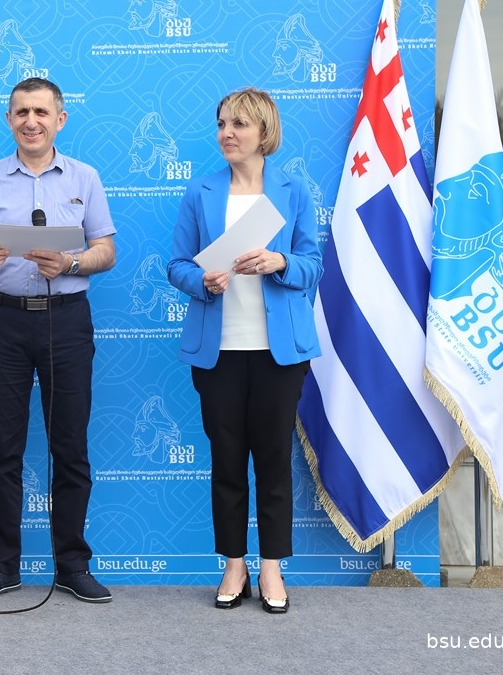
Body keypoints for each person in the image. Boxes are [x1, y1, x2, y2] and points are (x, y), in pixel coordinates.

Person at [0, 77, 116, 604]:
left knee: (70, 448)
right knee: (3, 450)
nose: (31, 121)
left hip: (67, 322)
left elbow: (106, 251)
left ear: (59, 120)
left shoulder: (85, 178)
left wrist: (70, 262)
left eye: (41, 112)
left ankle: (72, 565)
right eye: (21, 112)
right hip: (3, 323)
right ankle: (3, 566)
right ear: (9, 119)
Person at [165, 87, 322, 614]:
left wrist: (281, 262)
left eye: (238, 124)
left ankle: (272, 567)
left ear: (264, 132)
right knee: (227, 461)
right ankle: (234, 565)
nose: (226, 133)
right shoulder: (201, 191)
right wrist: (201, 281)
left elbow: (313, 265)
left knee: (273, 461)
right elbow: (177, 265)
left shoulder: (293, 191)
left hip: (280, 353)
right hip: (220, 352)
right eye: (221, 123)